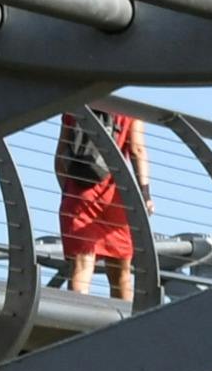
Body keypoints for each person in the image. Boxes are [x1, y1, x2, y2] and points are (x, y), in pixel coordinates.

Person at [56, 102, 145, 297]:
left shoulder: (76, 106)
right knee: (121, 273)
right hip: (117, 199)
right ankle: (127, 324)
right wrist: (145, 195)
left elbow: (60, 158)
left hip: (80, 195)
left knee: (81, 267)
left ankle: (77, 319)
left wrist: (70, 192)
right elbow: (137, 151)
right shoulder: (132, 111)